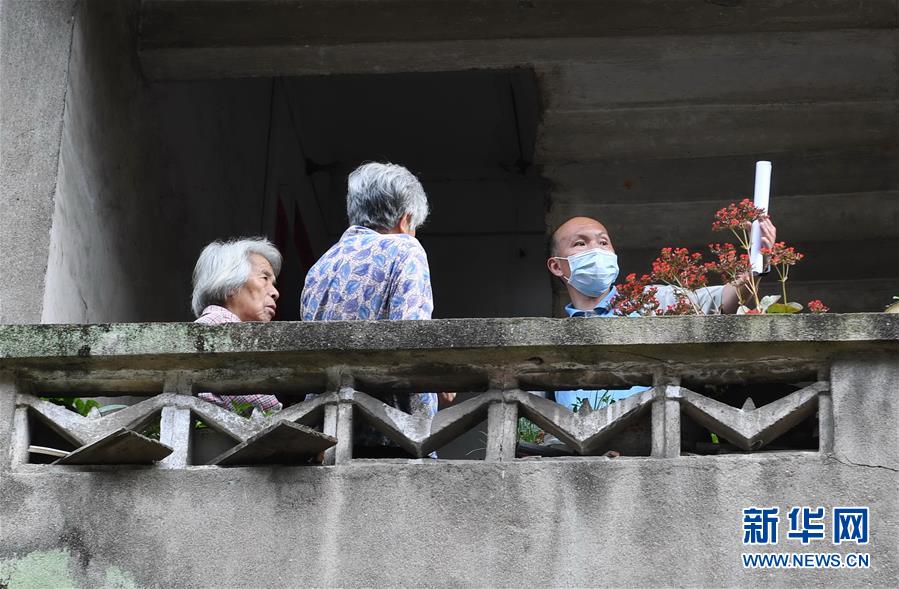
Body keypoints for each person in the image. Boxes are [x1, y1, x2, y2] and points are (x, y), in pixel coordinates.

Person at [545, 215, 777, 411]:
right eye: (580, 244)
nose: (596, 250)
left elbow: (722, 301)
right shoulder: (555, 337)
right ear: (556, 266)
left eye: (603, 242)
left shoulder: (652, 300)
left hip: (652, 436)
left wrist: (758, 264)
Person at [301, 162, 453, 457]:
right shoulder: (405, 249)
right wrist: (440, 375)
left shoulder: (320, 266)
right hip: (390, 436)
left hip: (329, 434)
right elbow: (412, 338)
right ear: (405, 220)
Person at [191, 237, 283, 415]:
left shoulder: (215, 326)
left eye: (273, 284)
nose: (275, 292)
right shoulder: (216, 328)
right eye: (265, 278)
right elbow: (265, 407)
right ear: (231, 284)